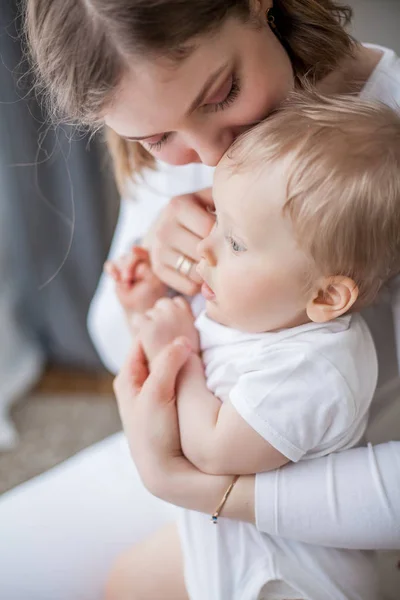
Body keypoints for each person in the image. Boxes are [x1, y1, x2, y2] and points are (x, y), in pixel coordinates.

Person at [0, 1, 399, 599]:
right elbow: (118, 345)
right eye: (157, 137)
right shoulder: (170, 126)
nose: (210, 157)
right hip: (190, 466)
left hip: (337, 508)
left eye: (222, 93)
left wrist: (212, 491)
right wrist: (160, 271)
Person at [106, 94, 400, 599]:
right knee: (123, 584)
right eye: (218, 216)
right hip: (225, 548)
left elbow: (212, 448)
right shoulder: (255, 307)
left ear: (326, 295)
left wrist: (176, 345)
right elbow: (179, 369)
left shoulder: (314, 370)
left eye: (236, 242)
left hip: (283, 580)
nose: (206, 246)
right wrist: (145, 311)